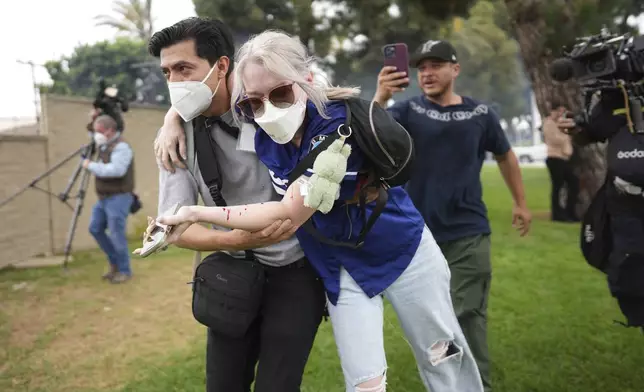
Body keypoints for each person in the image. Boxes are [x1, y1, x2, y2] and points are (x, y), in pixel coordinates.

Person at [154, 29, 484, 392]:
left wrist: (195, 213)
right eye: (254, 103)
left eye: (280, 93)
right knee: (364, 383)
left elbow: (287, 214)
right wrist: (173, 116)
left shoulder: (334, 128)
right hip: (336, 266)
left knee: (441, 353)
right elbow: (214, 93)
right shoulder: (261, 130)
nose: (268, 109)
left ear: (306, 81)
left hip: (401, 250)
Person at [145, 17, 326, 392]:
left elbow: (318, 92)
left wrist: (172, 113)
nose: (175, 82)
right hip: (233, 273)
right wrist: (237, 241)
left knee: (279, 385)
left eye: (184, 69)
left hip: (297, 271)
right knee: (223, 385)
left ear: (222, 65)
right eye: (167, 72)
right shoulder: (175, 141)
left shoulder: (268, 103)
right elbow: (177, 229)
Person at [372, 39, 532, 392]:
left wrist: (520, 202)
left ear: (455, 69)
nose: (426, 73)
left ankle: (477, 385)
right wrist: (381, 96)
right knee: (435, 323)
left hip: (468, 232)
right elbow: (370, 131)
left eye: (436, 65)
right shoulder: (408, 111)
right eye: (421, 67)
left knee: (467, 314)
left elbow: (506, 155)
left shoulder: (480, 114)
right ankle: (451, 382)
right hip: (420, 238)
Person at [85, 115, 135, 284]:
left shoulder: (121, 147)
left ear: (109, 131)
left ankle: (124, 270)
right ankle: (115, 262)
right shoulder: (104, 145)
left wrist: (90, 165)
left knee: (116, 235)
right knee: (95, 228)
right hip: (104, 198)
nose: (95, 135)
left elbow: (117, 170)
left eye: (98, 131)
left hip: (119, 198)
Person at [543, 99, 579, 222]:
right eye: (559, 111)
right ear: (554, 111)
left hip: (564, 158)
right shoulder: (549, 123)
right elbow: (555, 139)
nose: (561, 113)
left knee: (574, 183)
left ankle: (570, 212)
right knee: (557, 186)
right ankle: (557, 214)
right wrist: (565, 135)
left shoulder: (561, 122)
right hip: (554, 158)